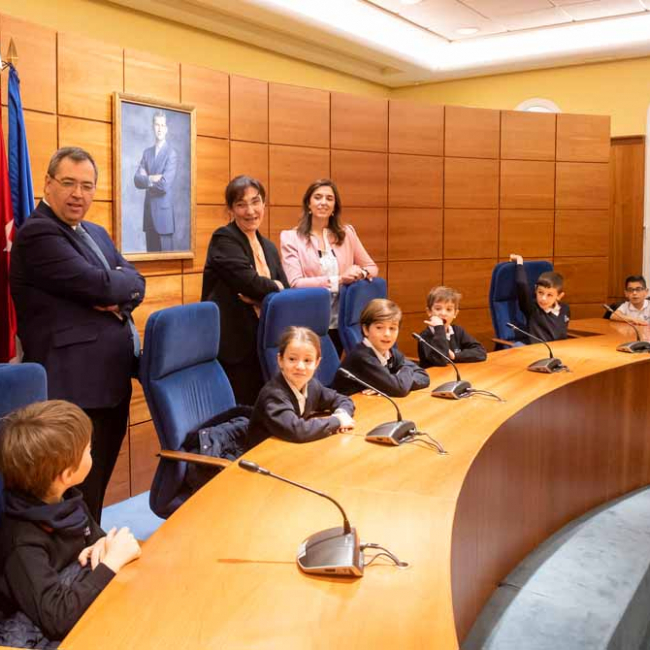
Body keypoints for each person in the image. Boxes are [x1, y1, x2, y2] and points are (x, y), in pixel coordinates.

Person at [10, 147, 145, 523]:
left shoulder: (95, 233)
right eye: (68, 183)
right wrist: (113, 288)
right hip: (73, 391)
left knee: (94, 492)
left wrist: (117, 291)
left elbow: (135, 282)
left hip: (111, 385)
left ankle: (91, 547)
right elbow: (102, 285)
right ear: (48, 184)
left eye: (87, 186)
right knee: (74, 498)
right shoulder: (38, 233)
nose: (78, 194)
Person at [0, 401, 141, 644]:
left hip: (78, 604)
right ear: (66, 474)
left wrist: (102, 545)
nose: (92, 452)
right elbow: (56, 618)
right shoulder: (21, 543)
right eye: (88, 449)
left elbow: (97, 539)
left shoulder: (66, 501)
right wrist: (111, 561)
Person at [201, 175, 288, 405]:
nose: (250, 211)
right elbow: (251, 283)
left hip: (266, 343)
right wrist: (273, 288)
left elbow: (285, 293)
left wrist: (263, 297)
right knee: (242, 414)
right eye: (241, 204)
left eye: (255, 202)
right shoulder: (224, 239)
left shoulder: (268, 246)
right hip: (235, 349)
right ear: (231, 209)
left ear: (264, 204)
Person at [280, 179, 378, 354]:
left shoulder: (347, 234)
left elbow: (371, 267)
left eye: (329, 198)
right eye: (318, 197)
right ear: (308, 204)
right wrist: (339, 280)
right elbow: (295, 283)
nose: (323, 202)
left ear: (334, 207)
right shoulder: (291, 238)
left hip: (341, 320)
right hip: (309, 320)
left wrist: (360, 273)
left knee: (336, 366)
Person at [247, 326, 355, 449]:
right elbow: (297, 430)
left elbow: (343, 400)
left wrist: (342, 414)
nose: (300, 366)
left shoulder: (312, 385)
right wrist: (337, 421)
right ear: (280, 360)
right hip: (263, 454)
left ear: (317, 363)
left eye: (307, 360)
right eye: (292, 359)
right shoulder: (273, 394)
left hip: (291, 448)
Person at [332, 298, 430, 397]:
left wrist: (388, 386)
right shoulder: (361, 357)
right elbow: (399, 389)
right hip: (349, 405)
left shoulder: (391, 353)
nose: (387, 334)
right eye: (379, 327)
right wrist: (405, 370)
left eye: (392, 328)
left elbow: (424, 376)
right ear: (366, 329)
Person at [133, 110, 178, 253]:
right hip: (149, 218)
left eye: (162, 125)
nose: (160, 128)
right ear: (153, 127)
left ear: (166, 129)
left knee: (167, 263)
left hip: (164, 218)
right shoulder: (147, 153)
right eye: (157, 125)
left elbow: (164, 185)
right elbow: (137, 180)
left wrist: (146, 180)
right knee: (151, 260)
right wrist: (152, 178)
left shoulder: (171, 153)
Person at [418, 286, 486, 368]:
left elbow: (481, 352)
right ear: (429, 312)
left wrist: (454, 356)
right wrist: (439, 328)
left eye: (448, 309)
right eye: (438, 309)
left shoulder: (457, 331)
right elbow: (440, 360)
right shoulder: (424, 336)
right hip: (434, 375)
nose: (443, 313)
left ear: (455, 314)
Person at [509, 253, 570, 342]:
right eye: (540, 292)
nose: (543, 298)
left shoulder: (565, 309)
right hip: (538, 349)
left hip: (559, 349)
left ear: (559, 296)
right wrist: (519, 261)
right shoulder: (532, 308)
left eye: (549, 295)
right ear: (535, 290)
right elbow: (522, 285)